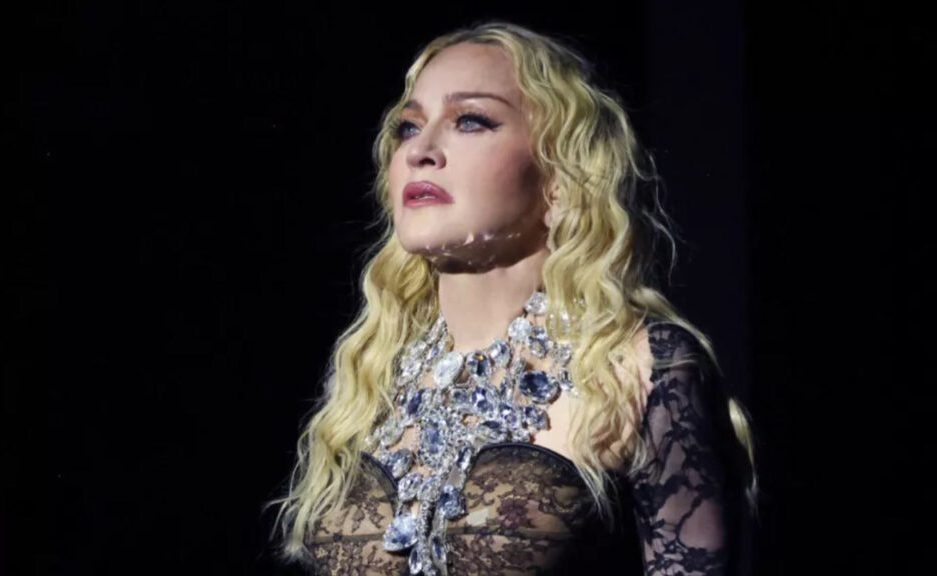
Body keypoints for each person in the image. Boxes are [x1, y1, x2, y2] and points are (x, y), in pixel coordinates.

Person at [266, 20, 758, 576]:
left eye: (470, 121)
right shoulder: (369, 376)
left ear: (559, 174)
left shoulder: (638, 368)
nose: (421, 150)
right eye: (408, 127)